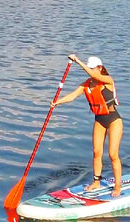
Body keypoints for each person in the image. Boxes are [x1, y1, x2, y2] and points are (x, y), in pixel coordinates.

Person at [52, 54, 124, 196]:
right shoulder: (87, 84)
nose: (90, 71)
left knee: (112, 154)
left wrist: (78, 61)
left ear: (100, 68)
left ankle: (117, 187)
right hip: (99, 120)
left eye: (93, 69)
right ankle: (96, 181)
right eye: (89, 68)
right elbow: (72, 96)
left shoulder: (107, 81)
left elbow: (92, 74)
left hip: (114, 120)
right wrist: (57, 102)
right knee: (97, 152)